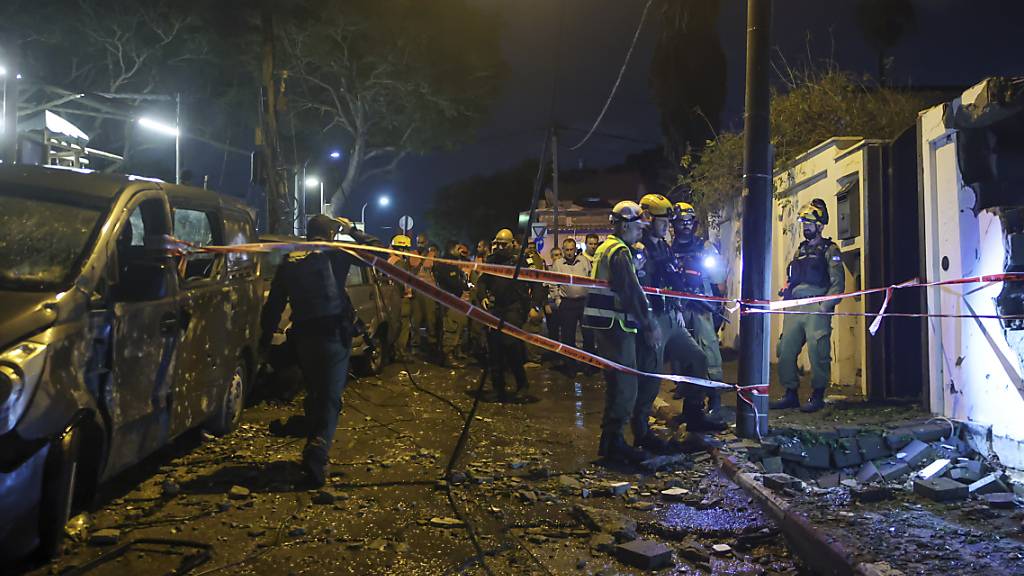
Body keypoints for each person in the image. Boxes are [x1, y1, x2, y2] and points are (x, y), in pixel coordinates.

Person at [259, 214, 381, 486]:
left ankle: (312, 444)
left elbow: (274, 305)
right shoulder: (337, 253)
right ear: (332, 234)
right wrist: (353, 230)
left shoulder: (291, 260)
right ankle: (317, 454)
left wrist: (264, 342)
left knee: (316, 393)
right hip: (333, 337)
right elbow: (379, 253)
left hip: (304, 338)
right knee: (330, 397)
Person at [637, 194, 723, 441]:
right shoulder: (641, 249)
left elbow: (680, 279)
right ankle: (641, 433)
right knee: (651, 375)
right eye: (665, 220)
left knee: (698, 358)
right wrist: (647, 321)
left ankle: (695, 415)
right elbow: (638, 288)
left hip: (675, 313)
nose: (670, 225)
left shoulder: (664, 247)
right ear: (648, 219)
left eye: (670, 220)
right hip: (653, 318)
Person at [583, 201, 662, 464]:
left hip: (608, 327)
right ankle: (614, 445)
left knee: (617, 385)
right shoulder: (618, 252)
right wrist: (649, 325)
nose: (641, 230)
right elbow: (631, 292)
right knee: (626, 386)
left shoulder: (608, 248)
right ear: (625, 225)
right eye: (638, 226)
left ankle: (610, 443)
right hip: (615, 327)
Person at [771, 199, 845, 413]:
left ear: (820, 226)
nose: (806, 227)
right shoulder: (800, 251)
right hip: (795, 307)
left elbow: (837, 284)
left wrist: (825, 306)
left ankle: (818, 395)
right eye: (804, 223)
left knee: (817, 350)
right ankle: (790, 393)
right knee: (785, 350)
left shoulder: (830, 250)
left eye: (809, 223)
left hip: (816, 307)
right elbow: (793, 278)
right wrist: (786, 291)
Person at [670, 202, 727, 424]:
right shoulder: (669, 249)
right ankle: (691, 403)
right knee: (683, 354)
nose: (685, 226)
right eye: (680, 222)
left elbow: (719, 279)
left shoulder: (705, 248)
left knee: (709, 350)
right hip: (678, 307)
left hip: (702, 307)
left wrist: (718, 306)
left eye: (688, 222)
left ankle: (714, 398)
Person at [475, 229, 539, 401]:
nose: (500, 247)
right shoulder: (492, 260)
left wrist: (534, 306)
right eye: (498, 244)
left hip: (515, 307)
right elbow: (482, 281)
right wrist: (482, 296)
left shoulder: (522, 261)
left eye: (504, 244)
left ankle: (522, 385)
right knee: (494, 348)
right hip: (497, 307)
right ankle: (498, 388)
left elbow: (536, 284)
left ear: (512, 244)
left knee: (511, 345)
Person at [549, 237, 591, 373]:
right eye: (566, 250)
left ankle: (589, 365)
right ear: (563, 250)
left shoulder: (584, 261)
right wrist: (558, 300)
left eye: (571, 249)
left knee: (588, 335)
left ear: (575, 249)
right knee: (568, 336)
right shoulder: (558, 264)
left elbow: (591, 278)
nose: (569, 252)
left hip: (583, 302)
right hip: (567, 303)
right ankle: (570, 366)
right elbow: (553, 283)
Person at [433, 241, 471, 368]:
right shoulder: (446, 264)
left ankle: (453, 352)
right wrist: (463, 285)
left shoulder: (454, 263)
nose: (460, 251)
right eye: (458, 248)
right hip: (449, 300)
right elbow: (452, 282)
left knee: (457, 326)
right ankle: (447, 356)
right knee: (450, 327)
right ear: (451, 249)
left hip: (454, 300)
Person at [387, 234, 415, 361]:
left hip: (391, 296)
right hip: (401, 298)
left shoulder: (390, 260)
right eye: (407, 249)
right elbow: (403, 283)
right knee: (403, 325)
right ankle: (400, 352)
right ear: (402, 249)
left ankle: (393, 351)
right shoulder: (401, 263)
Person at [410, 241, 439, 357]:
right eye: (418, 242)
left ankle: (432, 344)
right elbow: (412, 272)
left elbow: (436, 272)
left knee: (430, 318)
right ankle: (415, 345)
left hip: (429, 291)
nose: (420, 245)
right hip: (417, 291)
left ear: (426, 242)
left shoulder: (432, 254)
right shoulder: (413, 254)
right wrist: (422, 260)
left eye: (422, 242)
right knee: (415, 320)